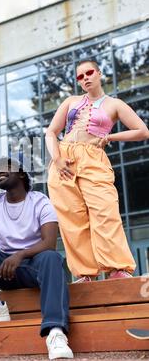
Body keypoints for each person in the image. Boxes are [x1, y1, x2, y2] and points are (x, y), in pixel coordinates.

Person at [0, 157, 74, 360]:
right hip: (3, 268)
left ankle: (55, 333)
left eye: (6, 168)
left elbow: (49, 242)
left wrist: (20, 255)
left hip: (32, 267)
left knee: (51, 257)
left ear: (21, 174)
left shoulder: (40, 200)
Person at [46, 59, 149, 283]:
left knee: (105, 212)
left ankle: (117, 268)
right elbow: (51, 133)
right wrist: (57, 159)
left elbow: (142, 131)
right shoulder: (70, 101)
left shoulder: (115, 104)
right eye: (80, 77)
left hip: (93, 158)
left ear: (99, 73)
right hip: (64, 159)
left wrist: (109, 137)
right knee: (71, 218)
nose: (85, 78)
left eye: (89, 72)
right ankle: (85, 273)